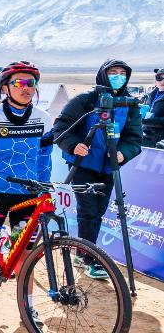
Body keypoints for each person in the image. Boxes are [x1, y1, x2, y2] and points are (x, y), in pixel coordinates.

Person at [0, 61, 54, 325]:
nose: (26, 88)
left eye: (31, 83)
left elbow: (45, 158)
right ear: (5, 87)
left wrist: (44, 188)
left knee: (25, 253)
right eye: (20, 83)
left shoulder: (43, 118)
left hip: (28, 196)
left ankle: (28, 307)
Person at [53, 60, 143, 279]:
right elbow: (60, 128)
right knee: (89, 212)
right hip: (83, 165)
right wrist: (74, 146)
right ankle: (89, 258)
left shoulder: (129, 104)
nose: (118, 76)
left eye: (122, 73)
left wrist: (123, 153)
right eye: (113, 72)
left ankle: (82, 252)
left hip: (109, 168)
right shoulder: (85, 100)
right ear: (103, 75)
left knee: (98, 213)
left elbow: (134, 138)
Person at [141, 69, 164, 147]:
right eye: (159, 78)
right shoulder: (151, 95)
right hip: (146, 136)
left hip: (160, 140)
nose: (163, 81)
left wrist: (145, 121)